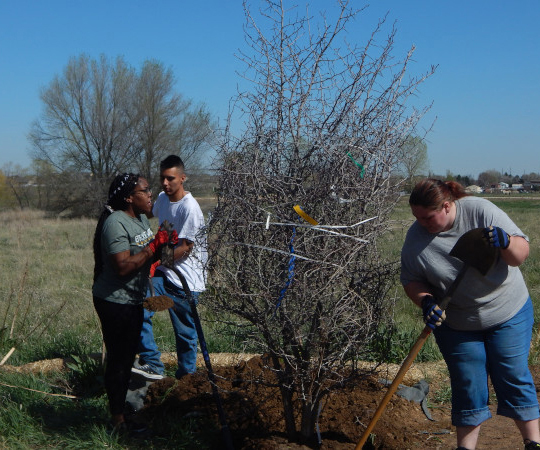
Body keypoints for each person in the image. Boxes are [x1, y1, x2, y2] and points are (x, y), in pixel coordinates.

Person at [400, 178, 540, 450]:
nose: (422, 223)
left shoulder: (480, 211)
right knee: (467, 382)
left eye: (428, 217)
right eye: (416, 217)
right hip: (457, 323)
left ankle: (533, 442)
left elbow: (520, 255)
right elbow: (412, 280)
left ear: (447, 206)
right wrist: (425, 300)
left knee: (511, 373)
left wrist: (506, 241)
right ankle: (465, 448)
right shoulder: (415, 239)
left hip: (507, 311)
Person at [92, 173, 177, 433]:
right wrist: (153, 246)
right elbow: (123, 267)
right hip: (115, 301)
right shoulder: (116, 223)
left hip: (134, 298)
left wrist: (165, 245)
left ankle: (121, 411)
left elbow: (147, 258)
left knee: (128, 356)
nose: (151, 194)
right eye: (145, 190)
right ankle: (117, 420)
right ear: (129, 197)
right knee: (119, 360)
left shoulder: (139, 219)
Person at [132, 155, 207, 380]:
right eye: (162, 178)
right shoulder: (164, 199)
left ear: (182, 178)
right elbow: (148, 211)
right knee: (138, 307)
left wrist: (153, 260)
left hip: (187, 282)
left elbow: (185, 247)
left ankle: (186, 381)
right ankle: (153, 364)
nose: (165, 183)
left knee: (185, 334)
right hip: (166, 277)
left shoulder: (190, 208)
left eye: (170, 178)